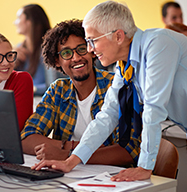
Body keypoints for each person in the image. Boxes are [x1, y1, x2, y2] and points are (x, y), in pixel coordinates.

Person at [32, 1, 187, 192]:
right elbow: (107, 116)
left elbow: (153, 109)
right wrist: (71, 161)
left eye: (93, 40)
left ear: (118, 36)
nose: (91, 49)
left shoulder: (158, 44)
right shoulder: (125, 66)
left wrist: (144, 167)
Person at [21, 19, 140, 166]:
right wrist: (69, 147)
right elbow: (27, 138)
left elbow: (129, 151)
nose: (76, 58)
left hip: (112, 179)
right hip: (67, 177)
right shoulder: (58, 90)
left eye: (81, 49)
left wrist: (67, 156)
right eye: (66, 53)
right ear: (57, 61)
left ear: (92, 51)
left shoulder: (118, 86)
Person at [14, 4, 51, 95]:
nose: (14, 22)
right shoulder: (19, 48)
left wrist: (30, 89)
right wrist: (12, 62)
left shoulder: (49, 49)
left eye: (19, 18)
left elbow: (52, 83)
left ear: (29, 21)